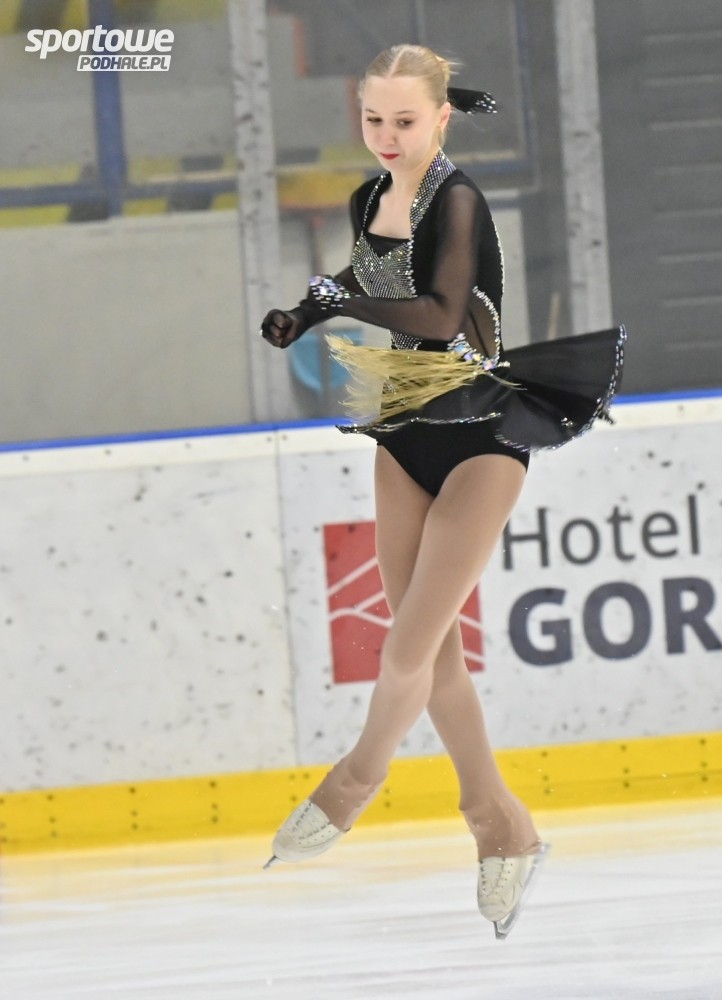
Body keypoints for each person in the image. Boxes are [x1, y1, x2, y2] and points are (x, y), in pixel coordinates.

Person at [260, 44, 625, 940]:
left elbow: (438, 311)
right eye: (372, 119)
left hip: (482, 438)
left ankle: (354, 781)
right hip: (405, 433)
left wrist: (342, 305)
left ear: (441, 117)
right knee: (437, 659)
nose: (387, 136)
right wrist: (307, 309)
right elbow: (363, 276)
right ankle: (499, 826)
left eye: (404, 120)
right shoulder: (368, 198)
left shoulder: (457, 200)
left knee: (405, 650)